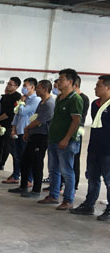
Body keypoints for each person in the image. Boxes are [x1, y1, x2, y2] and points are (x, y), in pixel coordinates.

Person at [38, 68, 83, 210]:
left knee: (67, 171)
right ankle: (53, 195)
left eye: (61, 79)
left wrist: (66, 138)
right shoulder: (59, 97)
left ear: (70, 82)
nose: (58, 82)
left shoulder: (75, 99)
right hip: (54, 139)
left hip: (66, 141)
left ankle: (68, 200)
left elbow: (76, 121)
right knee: (53, 169)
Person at [70, 75, 110, 220]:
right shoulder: (95, 104)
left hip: (107, 150)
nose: (95, 88)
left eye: (98, 85)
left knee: (108, 180)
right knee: (93, 178)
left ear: (108, 87)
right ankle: (89, 205)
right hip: (94, 147)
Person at [8, 80, 55, 198]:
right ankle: (23, 186)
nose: (36, 90)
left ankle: (36, 190)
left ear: (44, 89)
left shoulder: (49, 104)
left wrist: (27, 128)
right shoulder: (42, 102)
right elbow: (35, 117)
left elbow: (39, 121)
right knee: (25, 161)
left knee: (37, 163)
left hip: (42, 136)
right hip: (34, 135)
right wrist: (28, 131)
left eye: (38, 88)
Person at [3, 78, 40, 185]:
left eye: (25, 86)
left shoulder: (35, 100)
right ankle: (16, 175)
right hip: (18, 131)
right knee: (17, 155)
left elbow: (23, 112)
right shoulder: (24, 99)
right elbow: (16, 114)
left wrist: (21, 103)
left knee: (27, 156)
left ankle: (29, 179)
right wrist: (13, 128)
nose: (23, 88)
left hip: (26, 131)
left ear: (32, 87)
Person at [0, 77, 21, 172]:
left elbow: (10, 113)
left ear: (16, 86)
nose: (8, 86)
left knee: (6, 146)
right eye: (8, 84)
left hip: (9, 125)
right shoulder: (5, 96)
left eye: (10, 84)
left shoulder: (17, 97)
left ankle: (1, 164)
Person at [73, 76, 90, 190]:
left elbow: (80, 118)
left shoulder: (83, 98)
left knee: (75, 157)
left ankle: (74, 185)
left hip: (79, 129)